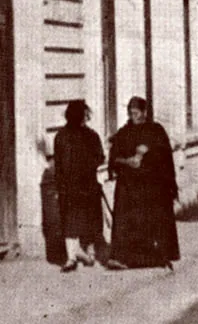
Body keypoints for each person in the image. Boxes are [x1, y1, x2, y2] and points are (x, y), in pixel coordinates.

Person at [107, 96, 180, 270]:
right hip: (129, 187)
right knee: (128, 221)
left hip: (152, 186)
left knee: (153, 220)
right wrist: (128, 161)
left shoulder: (155, 131)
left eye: (137, 113)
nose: (134, 117)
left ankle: (157, 256)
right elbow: (113, 159)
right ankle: (125, 259)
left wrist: (149, 152)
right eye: (131, 113)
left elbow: (165, 157)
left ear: (145, 112)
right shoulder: (124, 133)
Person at [53, 100, 105, 272]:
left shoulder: (60, 136)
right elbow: (100, 158)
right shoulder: (91, 136)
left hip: (68, 187)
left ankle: (71, 258)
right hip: (87, 185)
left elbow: (59, 165)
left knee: (70, 222)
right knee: (90, 219)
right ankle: (89, 254)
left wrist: (58, 187)